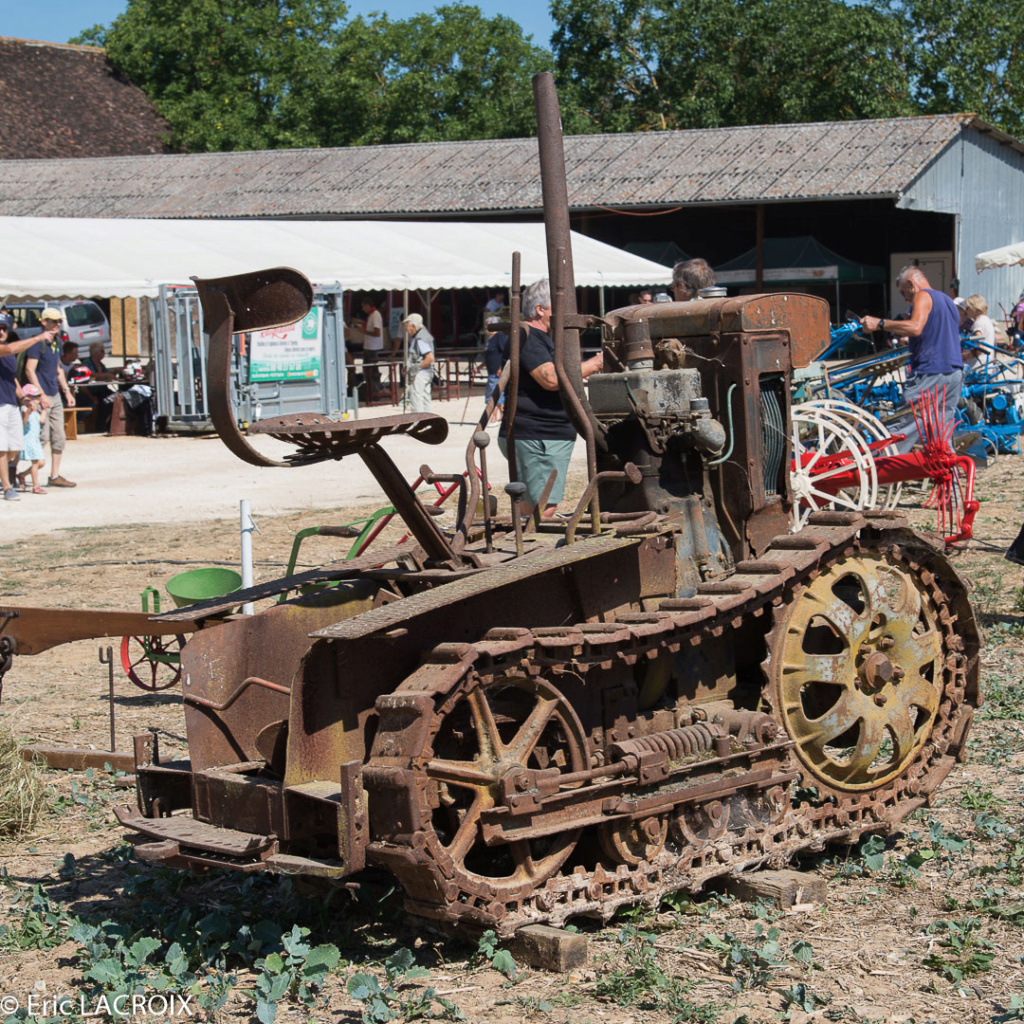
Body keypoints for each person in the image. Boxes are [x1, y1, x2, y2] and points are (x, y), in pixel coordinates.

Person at [498, 278, 603, 519]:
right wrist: (594, 364)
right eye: (557, 308)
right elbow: (551, 379)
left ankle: (524, 546)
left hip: (538, 436)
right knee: (543, 509)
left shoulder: (536, 337)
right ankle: (533, 553)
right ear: (540, 309)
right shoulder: (528, 336)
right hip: (540, 437)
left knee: (531, 506)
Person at [861, 266, 963, 454]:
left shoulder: (922, 296)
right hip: (954, 372)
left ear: (911, 284)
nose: (905, 298)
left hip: (931, 372)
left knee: (904, 424)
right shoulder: (948, 301)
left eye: (903, 292)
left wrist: (880, 323)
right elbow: (935, 331)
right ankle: (948, 478)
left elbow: (916, 327)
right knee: (941, 433)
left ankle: (875, 471)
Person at [0, 311, 51, 501]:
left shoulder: (8, 351)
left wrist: (23, 398)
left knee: (16, 447)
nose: (0, 331)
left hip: (11, 405)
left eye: (3, 327)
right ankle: (6, 487)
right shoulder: (7, 350)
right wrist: (38, 338)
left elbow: (11, 378)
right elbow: (11, 350)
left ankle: (4, 477)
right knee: (2, 449)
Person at [23, 307, 76, 486]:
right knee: (41, 437)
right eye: (53, 321)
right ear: (44, 322)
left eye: (59, 321)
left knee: (59, 436)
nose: (57, 324)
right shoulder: (38, 343)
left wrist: (66, 391)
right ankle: (23, 473)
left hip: (55, 394)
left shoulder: (57, 342)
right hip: (41, 396)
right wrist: (41, 395)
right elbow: (30, 370)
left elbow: (58, 369)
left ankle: (54, 476)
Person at [402, 313, 435, 414]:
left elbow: (429, 357)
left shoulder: (420, 338)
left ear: (413, 326)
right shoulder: (424, 335)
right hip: (427, 372)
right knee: (425, 400)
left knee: (416, 400)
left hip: (421, 373)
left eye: (407, 326)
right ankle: (428, 424)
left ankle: (418, 424)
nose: (406, 329)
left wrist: (415, 368)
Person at [16, 384, 46, 494]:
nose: (37, 399)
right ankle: (35, 486)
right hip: (29, 439)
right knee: (36, 462)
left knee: (41, 463)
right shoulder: (25, 409)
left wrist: (44, 410)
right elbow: (24, 422)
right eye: (34, 397)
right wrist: (28, 411)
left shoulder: (36, 410)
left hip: (35, 439)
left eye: (38, 396)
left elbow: (41, 421)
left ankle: (22, 475)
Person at [483, 316, 509, 421]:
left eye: (488, 325)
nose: (486, 327)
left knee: (495, 394)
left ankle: (497, 416)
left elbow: (505, 353)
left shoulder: (499, 336)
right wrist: (480, 367)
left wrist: (501, 367)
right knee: (493, 393)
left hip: (497, 371)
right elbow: (489, 356)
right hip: (491, 370)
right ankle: (497, 416)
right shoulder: (490, 339)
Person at [358, 295, 385, 396]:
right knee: (367, 369)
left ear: (368, 305)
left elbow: (377, 333)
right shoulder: (371, 315)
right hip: (368, 346)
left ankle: (375, 390)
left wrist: (364, 331)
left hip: (373, 347)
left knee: (373, 371)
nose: (363, 309)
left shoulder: (375, 315)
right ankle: (370, 390)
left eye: (363, 306)